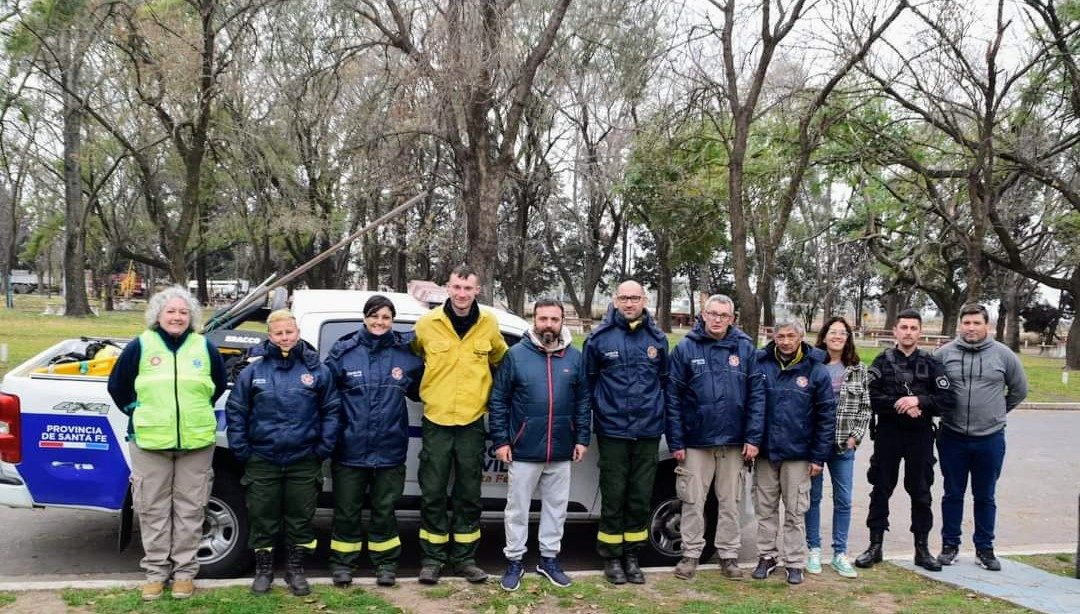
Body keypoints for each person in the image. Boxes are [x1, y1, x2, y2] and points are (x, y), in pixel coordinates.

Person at [107, 286, 227, 602]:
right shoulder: (140, 346)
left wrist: (190, 412)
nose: (177, 317)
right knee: (152, 509)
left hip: (196, 442)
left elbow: (218, 385)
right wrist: (137, 410)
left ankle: (185, 574)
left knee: (191, 509)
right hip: (149, 441)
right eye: (171, 311)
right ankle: (156, 573)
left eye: (183, 312)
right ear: (158, 315)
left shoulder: (205, 347)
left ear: (192, 317)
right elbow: (118, 386)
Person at [226, 309, 341, 596]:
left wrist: (322, 449)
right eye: (278, 333)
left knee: (300, 518)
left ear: (298, 333)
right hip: (263, 459)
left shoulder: (317, 370)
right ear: (270, 336)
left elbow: (332, 411)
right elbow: (237, 411)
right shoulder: (254, 371)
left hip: (304, 459)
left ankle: (295, 571)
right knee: (263, 517)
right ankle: (263, 571)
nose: (284, 338)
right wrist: (243, 451)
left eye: (289, 332)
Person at [411, 265, 509, 584]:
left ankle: (465, 559)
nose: (462, 294)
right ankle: (433, 558)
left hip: (471, 422)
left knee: (469, 494)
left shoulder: (489, 324)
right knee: (434, 491)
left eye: (468, 289)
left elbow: (502, 364)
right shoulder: (427, 324)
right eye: (456, 288)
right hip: (436, 420)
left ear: (477, 290)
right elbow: (412, 359)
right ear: (447, 288)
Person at [488, 299, 591, 591]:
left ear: (562, 322)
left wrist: (582, 437)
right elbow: (499, 400)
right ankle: (515, 561)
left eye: (554, 319)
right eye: (542, 318)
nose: (548, 324)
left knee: (556, 509)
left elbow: (583, 401)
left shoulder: (575, 358)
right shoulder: (515, 356)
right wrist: (501, 440)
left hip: (561, 448)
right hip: (523, 448)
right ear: (533, 320)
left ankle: (548, 559)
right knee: (517, 509)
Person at [324, 295, 424, 587]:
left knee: (385, 511)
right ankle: (343, 564)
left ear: (392, 320)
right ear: (364, 318)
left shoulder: (406, 355)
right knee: (346, 510)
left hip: (390, 449)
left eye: (386, 317)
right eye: (374, 316)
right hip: (349, 448)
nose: (380, 322)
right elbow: (326, 398)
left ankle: (385, 564)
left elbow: (423, 390)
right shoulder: (344, 353)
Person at [666, 294, 764, 581]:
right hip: (696, 441)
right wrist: (676, 441)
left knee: (730, 502)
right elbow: (672, 397)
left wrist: (753, 437)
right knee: (693, 501)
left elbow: (757, 396)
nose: (718, 319)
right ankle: (690, 553)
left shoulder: (745, 348)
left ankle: (729, 554)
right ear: (703, 315)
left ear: (732, 318)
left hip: (734, 442)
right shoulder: (685, 348)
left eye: (724, 315)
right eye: (713, 313)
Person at [854, 309, 954, 572]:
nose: (908, 332)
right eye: (904, 327)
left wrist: (919, 401)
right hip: (888, 434)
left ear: (920, 332)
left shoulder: (932, 364)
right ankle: (875, 546)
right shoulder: (882, 361)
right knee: (880, 488)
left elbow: (946, 400)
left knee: (921, 491)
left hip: (920, 436)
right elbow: (870, 397)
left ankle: (922, 549)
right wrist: (901, 404)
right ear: (895, 331)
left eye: (913, 328)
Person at [583, 279, 668, 585]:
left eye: (635, 298)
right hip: (613, 432)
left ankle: (632, 556)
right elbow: (588, 386)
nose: (630, 303)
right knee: (614, 496)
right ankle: (611, 557)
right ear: (615, 301)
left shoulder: (657, 340)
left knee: (639, 497)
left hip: (647, 433)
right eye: (624, 298)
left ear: (644, 300)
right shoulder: (599, 340)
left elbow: (664, 384)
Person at [935, 303, 1028, 571]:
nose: (972, 328)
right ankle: (949, 546)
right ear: (960, 325)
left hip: (990, 438)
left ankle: (984, 549)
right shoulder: (943, 355)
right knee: (952, 493)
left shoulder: (1004, 355)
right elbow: (933, 388)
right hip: (952, 436)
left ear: (986, 325)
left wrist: (997, 413)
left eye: (977, 323)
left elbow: (1019, 390)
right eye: (967, 323)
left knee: (985, 495)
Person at [752, 320, 836, 585]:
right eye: (780, 336)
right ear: (773, 337)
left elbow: (826, 417)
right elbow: (753, 407)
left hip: (799, 455)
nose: (785, 341)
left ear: (801, 337)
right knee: (765, 510)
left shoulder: (816, 370)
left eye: (791, 336)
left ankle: (794, 561)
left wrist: (818, 456)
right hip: (766, 452)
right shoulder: (761, 364)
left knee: (795, 512)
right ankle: (766, 556)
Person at [804, 317, 871, 579]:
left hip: (844, 445)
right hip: (815, 445)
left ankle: (840, 553)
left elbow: (865, 407)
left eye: (843, 333)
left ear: (848, 338)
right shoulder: (812, 366)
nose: (838, 336)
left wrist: (855, 436)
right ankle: (814, 549)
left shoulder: (858, 369)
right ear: (824, 335)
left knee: (843, 500)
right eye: (833, 332)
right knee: (813, 499)